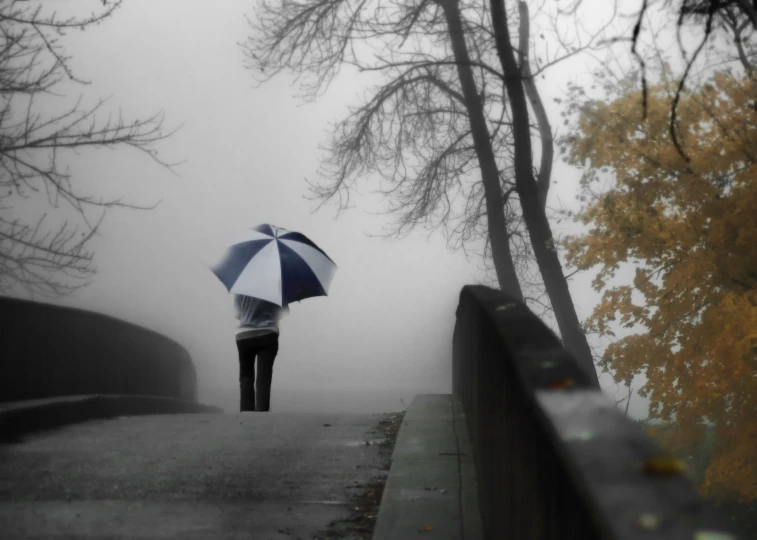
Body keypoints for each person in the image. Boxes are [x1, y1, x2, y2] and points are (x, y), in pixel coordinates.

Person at [234, 294, 289, 412]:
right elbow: (283, 312)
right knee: (264, 377)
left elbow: (238, 315)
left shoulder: (241, 289)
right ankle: (261, 413)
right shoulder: (276, 289)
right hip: (268, 334)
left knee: (246, 377)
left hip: (244, 335)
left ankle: (246, 412)